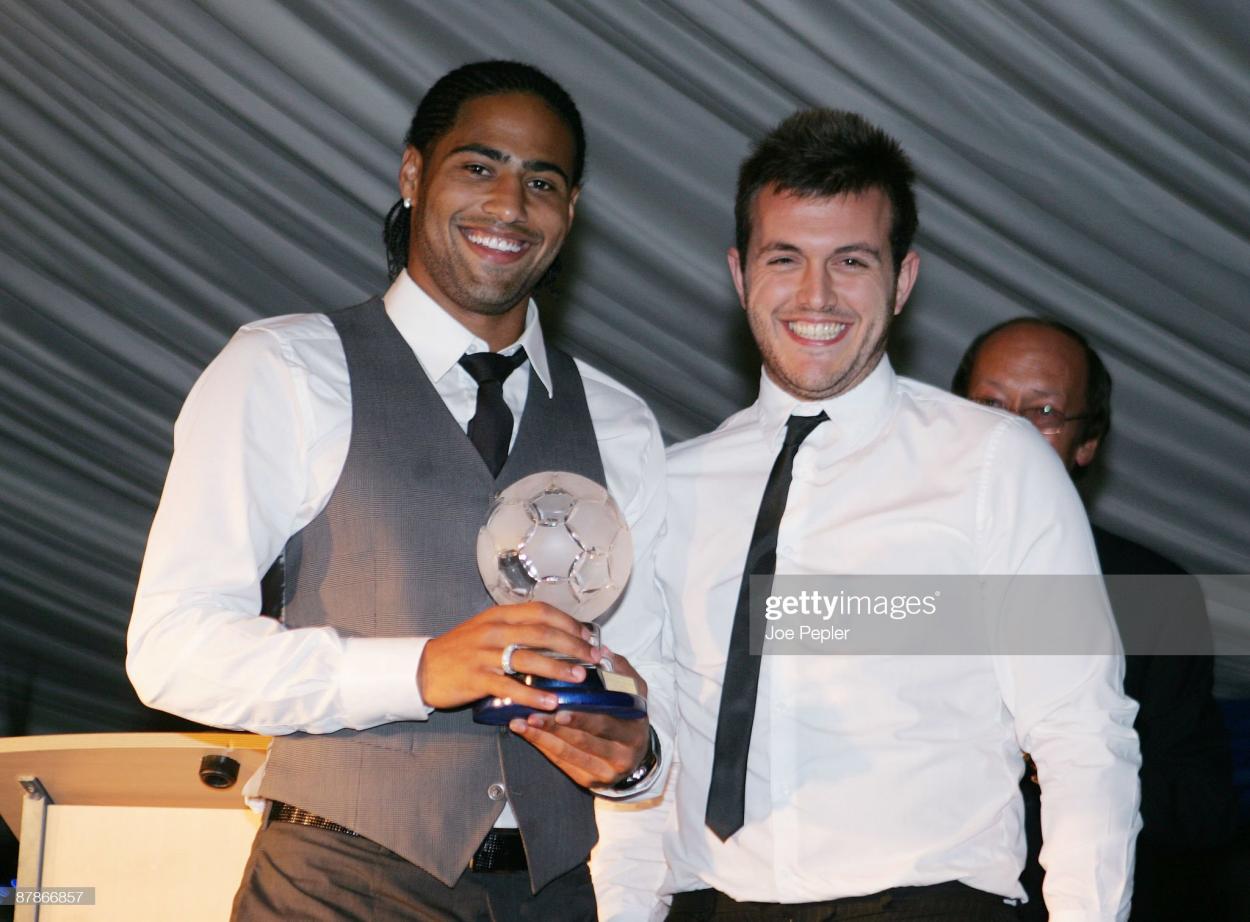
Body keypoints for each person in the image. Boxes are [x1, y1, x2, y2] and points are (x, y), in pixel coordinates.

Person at [127, 60, 671, 921]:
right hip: (338, 882)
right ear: (414, 174)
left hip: (555, 892)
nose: (509, 204)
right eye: (479, 166)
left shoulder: (622, 423)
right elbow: (171, 650)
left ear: (570, 213)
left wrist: (638, 760)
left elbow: (652, 687)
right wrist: (417, 670)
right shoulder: (284, 369)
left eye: (542, 181)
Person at [592, 108, 1140, 922]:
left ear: (903, 279)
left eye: (851, 260)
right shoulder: (667, 484)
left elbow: (1081, 734)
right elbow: (645, 736)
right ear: (741, 275)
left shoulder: (997, 461)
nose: (817, 295)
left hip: (927, 900)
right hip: (718, 900)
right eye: (787, 259)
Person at [953, 317, 1239, 921]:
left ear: (1087, 444)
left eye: (1044, 411)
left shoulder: (1153, 594)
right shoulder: (882, 570)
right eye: (989, 404)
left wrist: (1072, 754)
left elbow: (1202, 808)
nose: (1010, 429)